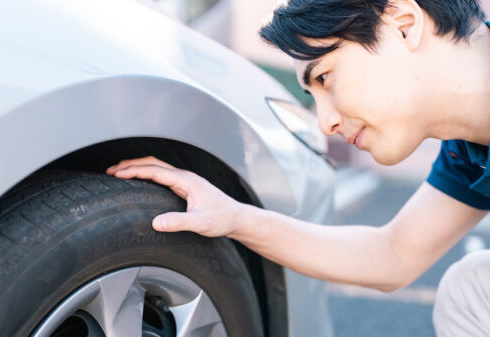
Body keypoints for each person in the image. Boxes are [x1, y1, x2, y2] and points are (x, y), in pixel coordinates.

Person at [106, 1, 490, 335]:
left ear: (404, 24)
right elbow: (393, 254)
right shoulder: (469, 150)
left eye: (325, 77)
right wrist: (233, 217)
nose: (326, 123)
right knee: (470, 290)